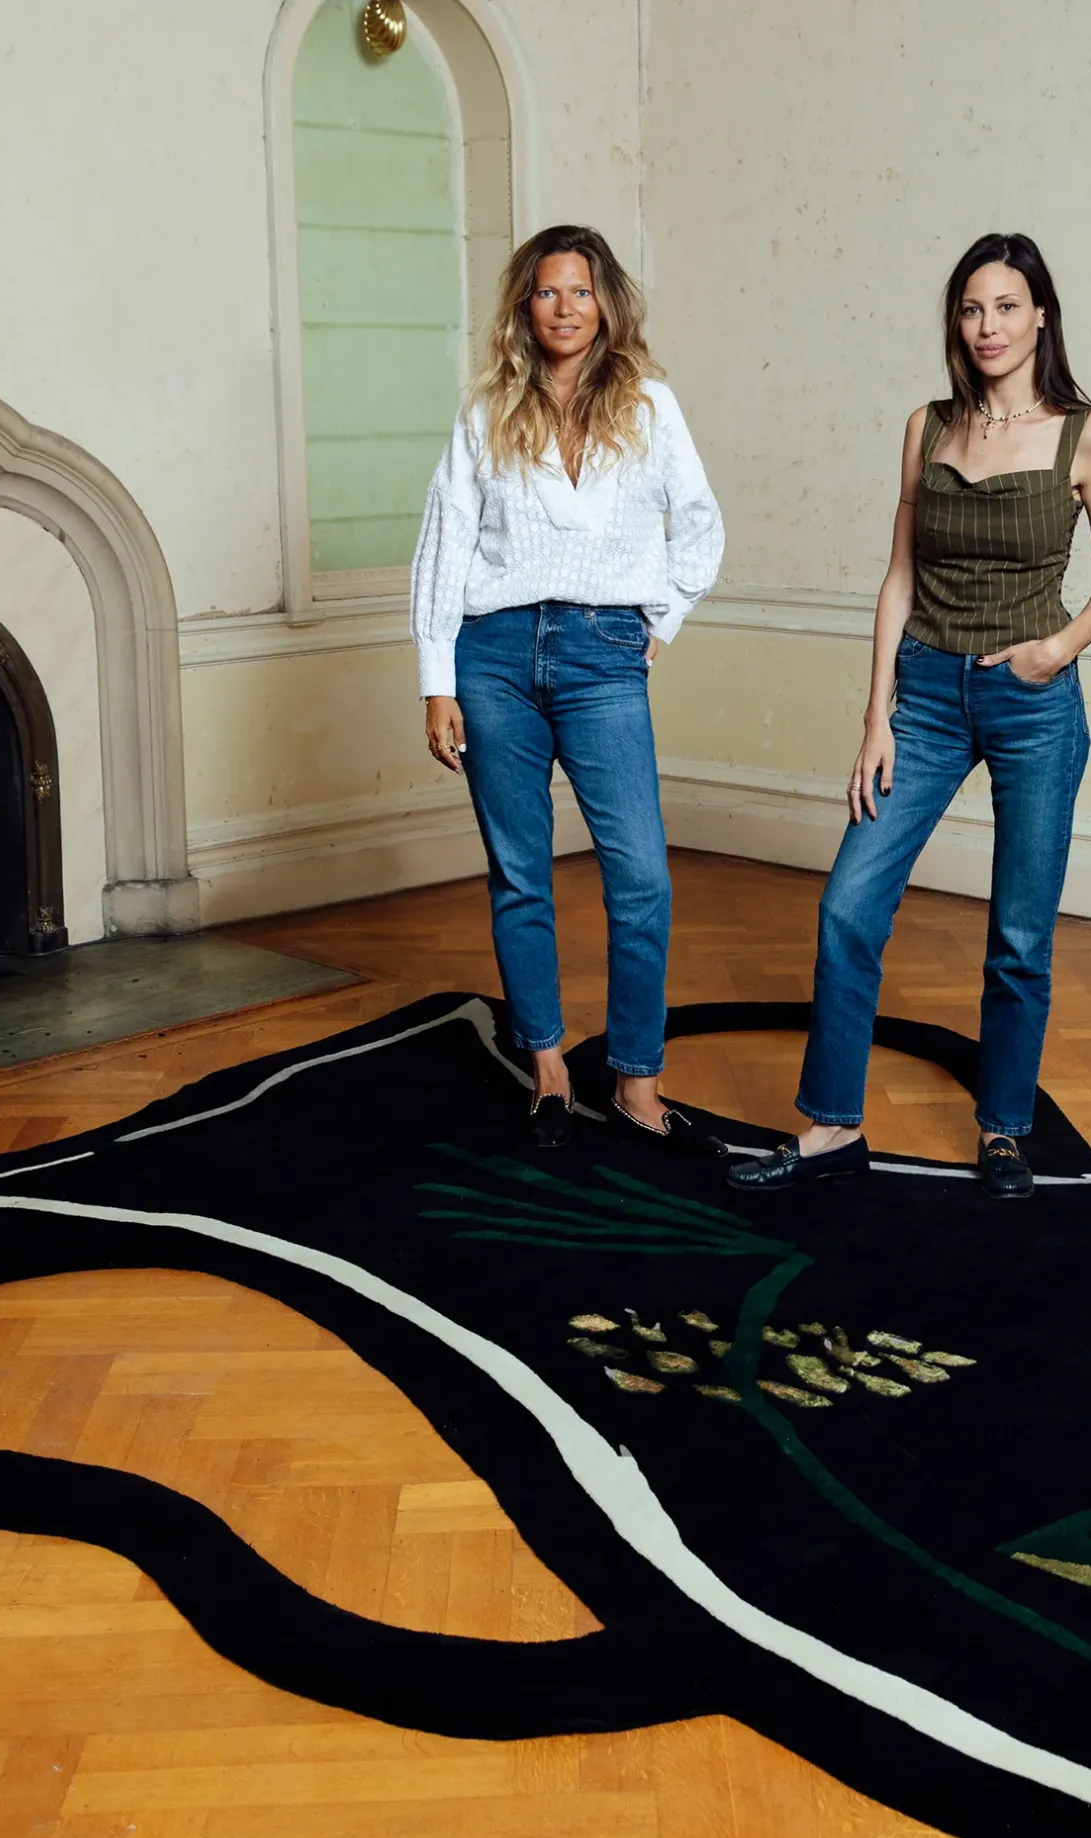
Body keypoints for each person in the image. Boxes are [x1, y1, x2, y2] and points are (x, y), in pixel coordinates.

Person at [727, 232, 1091, 1200]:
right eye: (971, 308)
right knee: (847, 905)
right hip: (927, 697)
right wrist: (876, 717)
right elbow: (898, 577)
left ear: (1040, 316)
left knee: (1019, 935)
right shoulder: (927, 426)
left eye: (1006, 306)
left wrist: (1053, 651)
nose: (987, 326)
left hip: (1033, 702)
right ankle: (832, 1126)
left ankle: (1003, 1130)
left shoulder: (1088, 435)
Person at [411, 225, 724, 1150]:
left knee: (642, 878)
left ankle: (635, 1080)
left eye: (580, 291)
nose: (563, 307)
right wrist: (436, 679)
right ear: (525, 306)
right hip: (493, 656)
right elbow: (446, 540)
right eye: (547, 291)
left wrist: (656, 623)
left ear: (605, 303)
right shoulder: (487, 411)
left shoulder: (651, 407)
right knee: (521, 873)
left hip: (602, 657)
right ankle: (547, 1068)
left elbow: (700, 527)